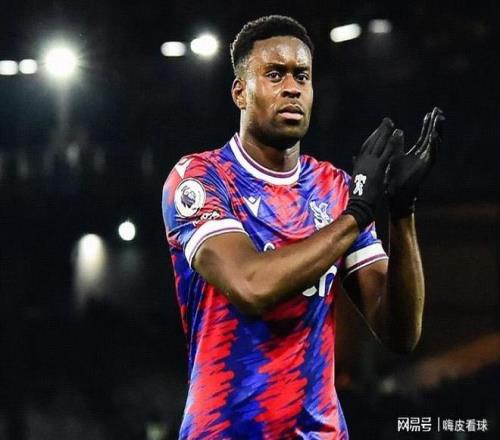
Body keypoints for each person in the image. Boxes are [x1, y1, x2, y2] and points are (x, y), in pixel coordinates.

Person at [162, 15, 444, 440]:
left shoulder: (335, 188)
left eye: (302, 76)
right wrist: (358, 213)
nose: (292, 87)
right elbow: (251, 285)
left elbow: (400, 333)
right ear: (240, 92)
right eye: (275, 75)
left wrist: (402, 212)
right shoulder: (201, 178)